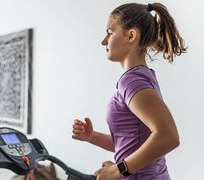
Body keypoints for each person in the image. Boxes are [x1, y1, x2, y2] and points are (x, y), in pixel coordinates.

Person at [72, 2, 187, 180]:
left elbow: (168, 136)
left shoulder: (132, 81)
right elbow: (134, 143)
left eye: (110, 32)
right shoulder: (141, 77)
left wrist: (118, 170)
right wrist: (91, 136)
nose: (104, 41)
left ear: (131, 35)